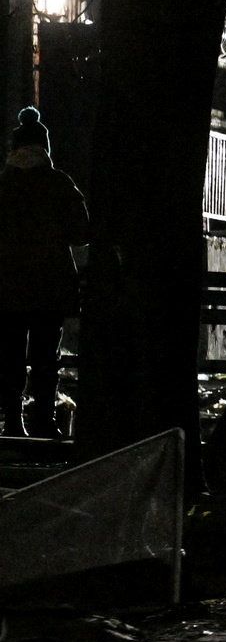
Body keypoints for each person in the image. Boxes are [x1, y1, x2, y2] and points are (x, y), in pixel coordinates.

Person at [0, 107, 89, 440]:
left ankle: (12, 419)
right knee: (45, 357)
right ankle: (43, 418)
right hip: (49, 286)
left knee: (9, 354)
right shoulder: (59, 184)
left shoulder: (3, 185)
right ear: (45, 147)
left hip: (6, 285)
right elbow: (81, 232)